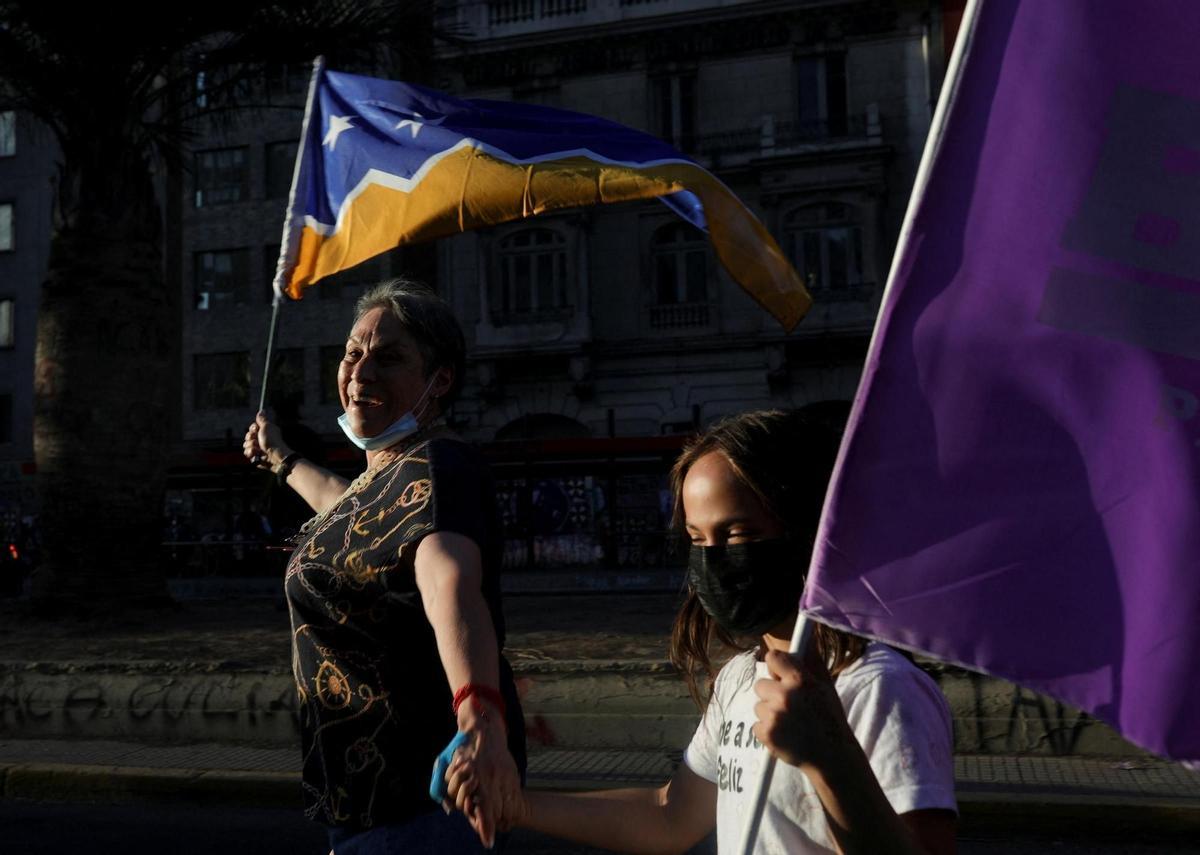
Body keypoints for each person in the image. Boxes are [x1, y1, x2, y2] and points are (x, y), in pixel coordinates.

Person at [447, 410, 956, 853]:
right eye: (697, 539)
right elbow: (671, 818)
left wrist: (829, 759)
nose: (714, 560)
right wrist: (514, 805)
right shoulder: (740, 677)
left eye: (738, 534)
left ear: (807, 532)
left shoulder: (878, 689)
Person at [243, 278, 525, 854]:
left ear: (439, 380)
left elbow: (448, 577)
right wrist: (282, 459)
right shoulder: (388, 480)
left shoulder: (440, 465)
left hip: (420, 798)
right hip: (361, 795)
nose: (360, 372)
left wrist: (480, 717)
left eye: (388, 358)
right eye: (352, 353)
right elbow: (346, 511)